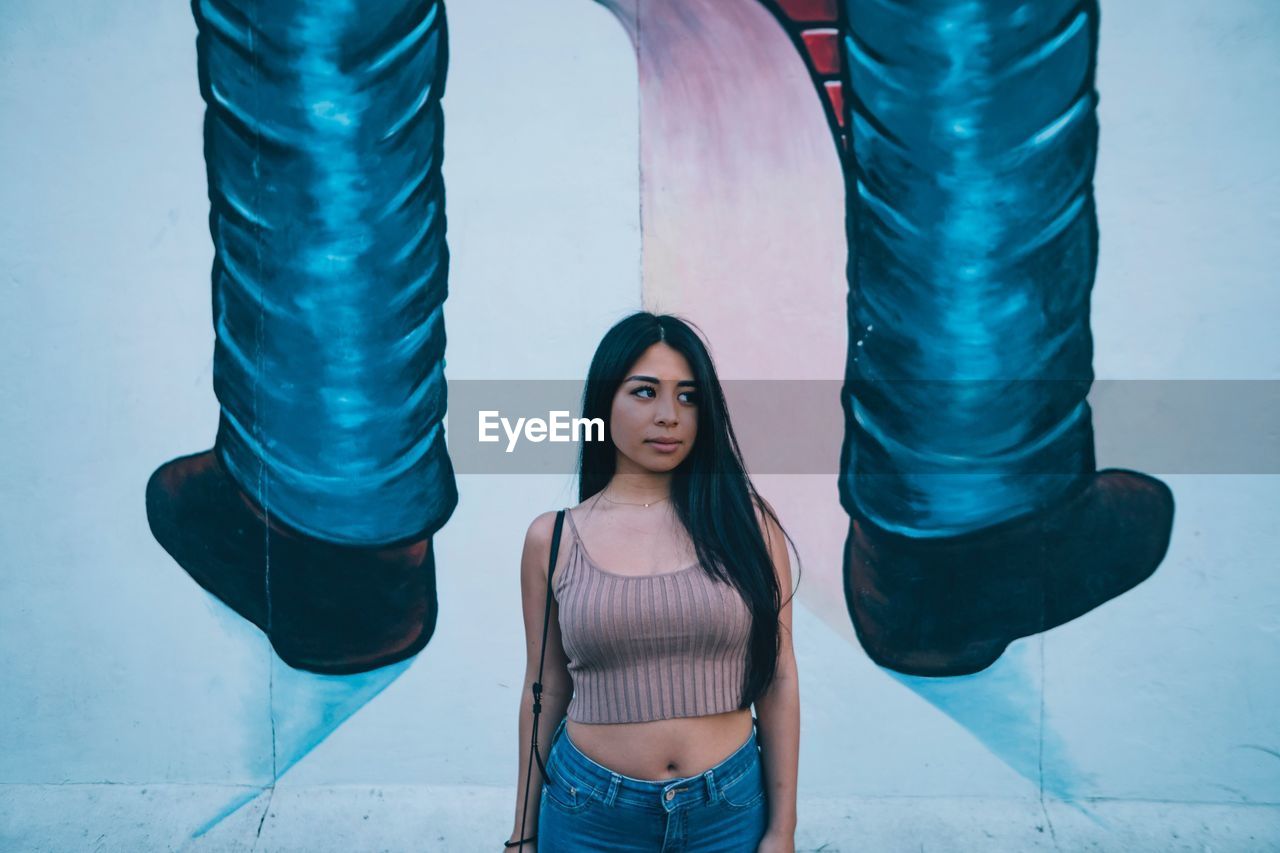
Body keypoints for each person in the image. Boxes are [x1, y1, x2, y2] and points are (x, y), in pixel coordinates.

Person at [505, 312, 801, 852]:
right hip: (588, 812)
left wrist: (782, 831)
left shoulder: (749, 526)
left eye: (688, 397)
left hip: (728, 810)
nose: (669, 416)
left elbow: (778, 679)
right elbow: (542, 691)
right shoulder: (553, 539)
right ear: (604, 403)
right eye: (645, 392)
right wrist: (522, 835)